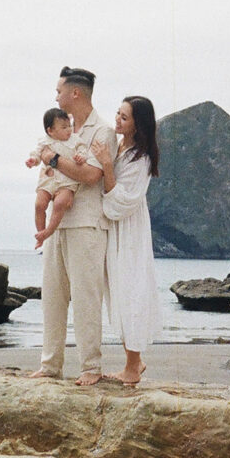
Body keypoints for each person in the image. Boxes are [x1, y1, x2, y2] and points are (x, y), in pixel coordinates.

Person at [28, 66, 117, 386]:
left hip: (87, 225)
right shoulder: (59, 128)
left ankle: (90, 367)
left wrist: (52, 159)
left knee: (85, 298)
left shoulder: (102, 131)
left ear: (75, 93)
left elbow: (92, 175)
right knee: (52, 296)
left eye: (59, 90)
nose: (56, 96)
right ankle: (50, 364)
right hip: (59, 223)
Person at [91, 96, 162, 385]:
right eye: (118, 114)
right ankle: (134, 361)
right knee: (119, 291)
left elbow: (121, 201)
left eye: (124, 117)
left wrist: (107, 166)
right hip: (115, 229)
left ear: (137, 125)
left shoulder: (141, 158)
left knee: (131, 290)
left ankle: (133, 365)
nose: (117, 120)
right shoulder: (120, 144)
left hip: (129, 228)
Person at [25, 108, 88, 248]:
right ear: (51, 131)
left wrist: (81, 157)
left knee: (60, 204)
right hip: (48, 179)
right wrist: (33, 161)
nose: (69, 130)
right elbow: (37, 154)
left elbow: (83, 151)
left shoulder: (75, 140)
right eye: (64, 127)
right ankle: (40, 233)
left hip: (67, 182)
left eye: (69, 126)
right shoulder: (45, 142)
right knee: (39, 205)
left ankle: (48, 231)